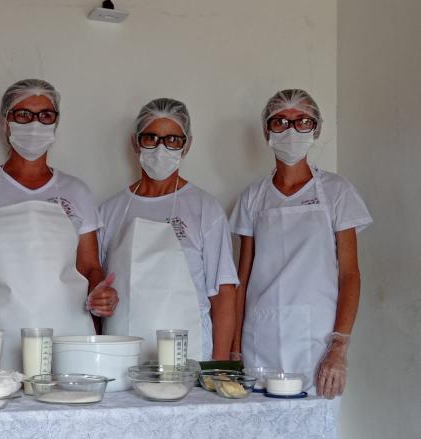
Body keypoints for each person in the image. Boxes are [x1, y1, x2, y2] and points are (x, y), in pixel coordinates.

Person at [0, 78, 117, 369]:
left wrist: (100, 292)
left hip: (69, 332)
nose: (35, 124)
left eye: (45, 115)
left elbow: (89, 266)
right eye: (23, 115)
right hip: (4, 330)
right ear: (5, 122)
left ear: (56, 123)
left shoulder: (76, 191)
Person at [231, 88, 372, 399]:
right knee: (256, 431)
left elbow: (350, 274)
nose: (291, 130)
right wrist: (234, 346)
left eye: (302, 122)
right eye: (280, 121)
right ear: (267, 131)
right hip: (260, 336)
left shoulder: (337, 191)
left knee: (311, 429)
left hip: (316, 340)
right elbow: (243, 276)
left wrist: (339, 345)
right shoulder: (253, 197)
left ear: (316, 128)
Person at [99, 98, 238, 361]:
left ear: (187, 145)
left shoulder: (203, 208)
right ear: (135, 142)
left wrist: (218, 366)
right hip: (122, 353)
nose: (161, 148)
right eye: (151, 138)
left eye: (173, 139)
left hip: (190, 354)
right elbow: (96, 290)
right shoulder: (112, 210)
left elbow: (224, 293)